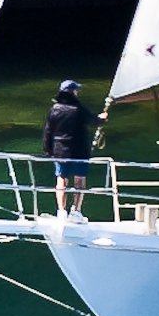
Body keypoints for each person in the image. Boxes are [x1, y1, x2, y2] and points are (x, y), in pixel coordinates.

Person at [44, 78, 100, 214]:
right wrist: (102, 118)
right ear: (73, 93)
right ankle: (76, 211)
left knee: (62, 179)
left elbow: (48, 131)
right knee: (80, 180)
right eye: (76, 90)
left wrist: (47, 150)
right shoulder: (79, 109)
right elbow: (95, 121)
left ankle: (61, 211)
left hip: (60, 151)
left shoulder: (54, 109)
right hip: (80, 151)